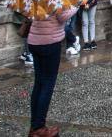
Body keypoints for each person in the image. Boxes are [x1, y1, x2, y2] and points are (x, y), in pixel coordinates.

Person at [27, 7, 77, 137]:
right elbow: (62, 17)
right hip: (49, 42)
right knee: (48, 84)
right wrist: (76, 7)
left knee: (39, 83)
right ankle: (39, 127)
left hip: (34, 41)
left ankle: (34, 126)